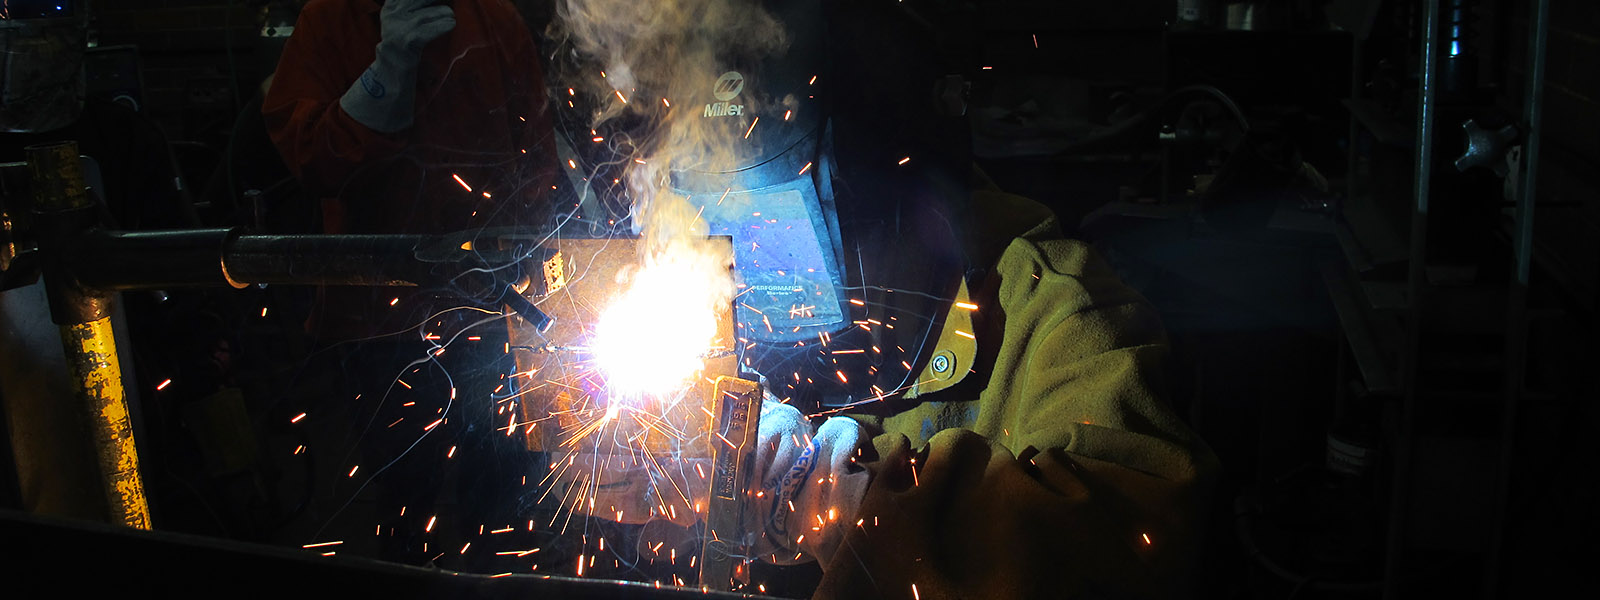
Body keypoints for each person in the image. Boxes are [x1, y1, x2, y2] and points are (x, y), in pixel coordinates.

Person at [548, 1, 1220, 597]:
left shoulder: (1057, 307)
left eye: (782, 230)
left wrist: (829, 492)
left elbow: (1125, 544)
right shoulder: (707, 326)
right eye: (724, 232)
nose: (753, 273)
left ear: (908, 196)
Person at [263, 0, 559, 339]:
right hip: (374, 318)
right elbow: (312, 162)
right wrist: (387, 70)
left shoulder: (491, 14)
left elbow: (538, 161)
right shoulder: (328, 19)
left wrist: (531, 262)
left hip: (491, 307)